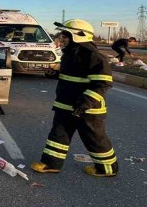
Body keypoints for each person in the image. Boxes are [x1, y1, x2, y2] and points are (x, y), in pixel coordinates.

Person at [30, 19, 118, 177]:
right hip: (65, 105)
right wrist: (54, 74)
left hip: (87, 109)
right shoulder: (69, 54)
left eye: (66, 36)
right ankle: (51, 164)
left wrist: (85, 104)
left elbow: (102, 84)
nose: (62, 39)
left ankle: (108, 169)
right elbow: (72, 77)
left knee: (95, 139)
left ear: (79, 36)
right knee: (58, 135)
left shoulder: (95, 57)